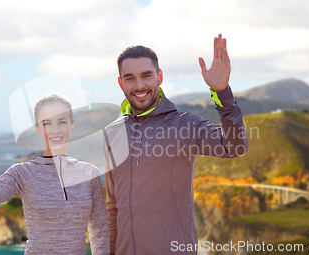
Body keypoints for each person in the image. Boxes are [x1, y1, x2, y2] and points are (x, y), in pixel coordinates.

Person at [103, 34, 249, 254]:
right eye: (130, 78)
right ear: (120, 82)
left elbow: (235, 146)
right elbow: (113, 205)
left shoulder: (185, 124)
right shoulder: (112, 133)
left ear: (159, 77)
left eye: (146, 75)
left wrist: (222, 93)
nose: (139, 85)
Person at [0, 93, 109, 255]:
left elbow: (99, 231)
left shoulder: (90, 173)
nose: (55, 130)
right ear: (37, 129)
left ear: (71, 125)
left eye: (61, 122)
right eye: (47, 123)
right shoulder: (22, 172)